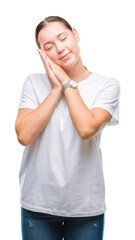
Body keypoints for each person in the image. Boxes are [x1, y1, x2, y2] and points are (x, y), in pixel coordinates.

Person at [15, 16, 120, 240]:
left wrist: (66, 83)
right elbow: (24, 135)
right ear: (43, 54)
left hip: (85, 207)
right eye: (49, 47)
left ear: (75, 34)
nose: (60, 49)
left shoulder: (107, 85)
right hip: (38, 203)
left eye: (63, 38)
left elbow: (86, 128)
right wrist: (55, 89)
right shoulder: (33, 83)